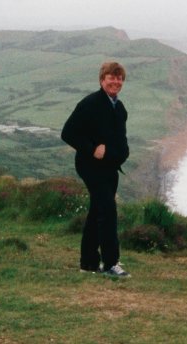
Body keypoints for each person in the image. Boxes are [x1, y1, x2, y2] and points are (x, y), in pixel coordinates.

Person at [61, 61, 131, 278]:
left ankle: (89, 263)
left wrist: (119, 154)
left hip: (110, 168)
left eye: (119, 78)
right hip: (90, 166)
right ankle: (111, 263)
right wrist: (92, 149)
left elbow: (120, 141)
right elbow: (68, 133)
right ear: (102, 80)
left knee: (97, 212)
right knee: (108, 210)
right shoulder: (90, 103)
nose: (116, 82)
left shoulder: (119, 108)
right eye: (111, 77)